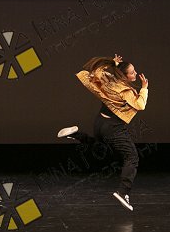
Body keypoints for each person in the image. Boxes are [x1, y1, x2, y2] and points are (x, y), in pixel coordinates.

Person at [58, 54, 149, 211]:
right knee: (132, 157)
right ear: (124, 75)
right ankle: (123, 192)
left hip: (100, 123)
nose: (135, 73)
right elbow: (140, 105)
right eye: (132, 72)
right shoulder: (125, 90)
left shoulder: (109, 81)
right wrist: (144, 88)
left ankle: (75, 134)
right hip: (113, 127)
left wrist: (113, 63)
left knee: (99, 148)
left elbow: (97, 71)